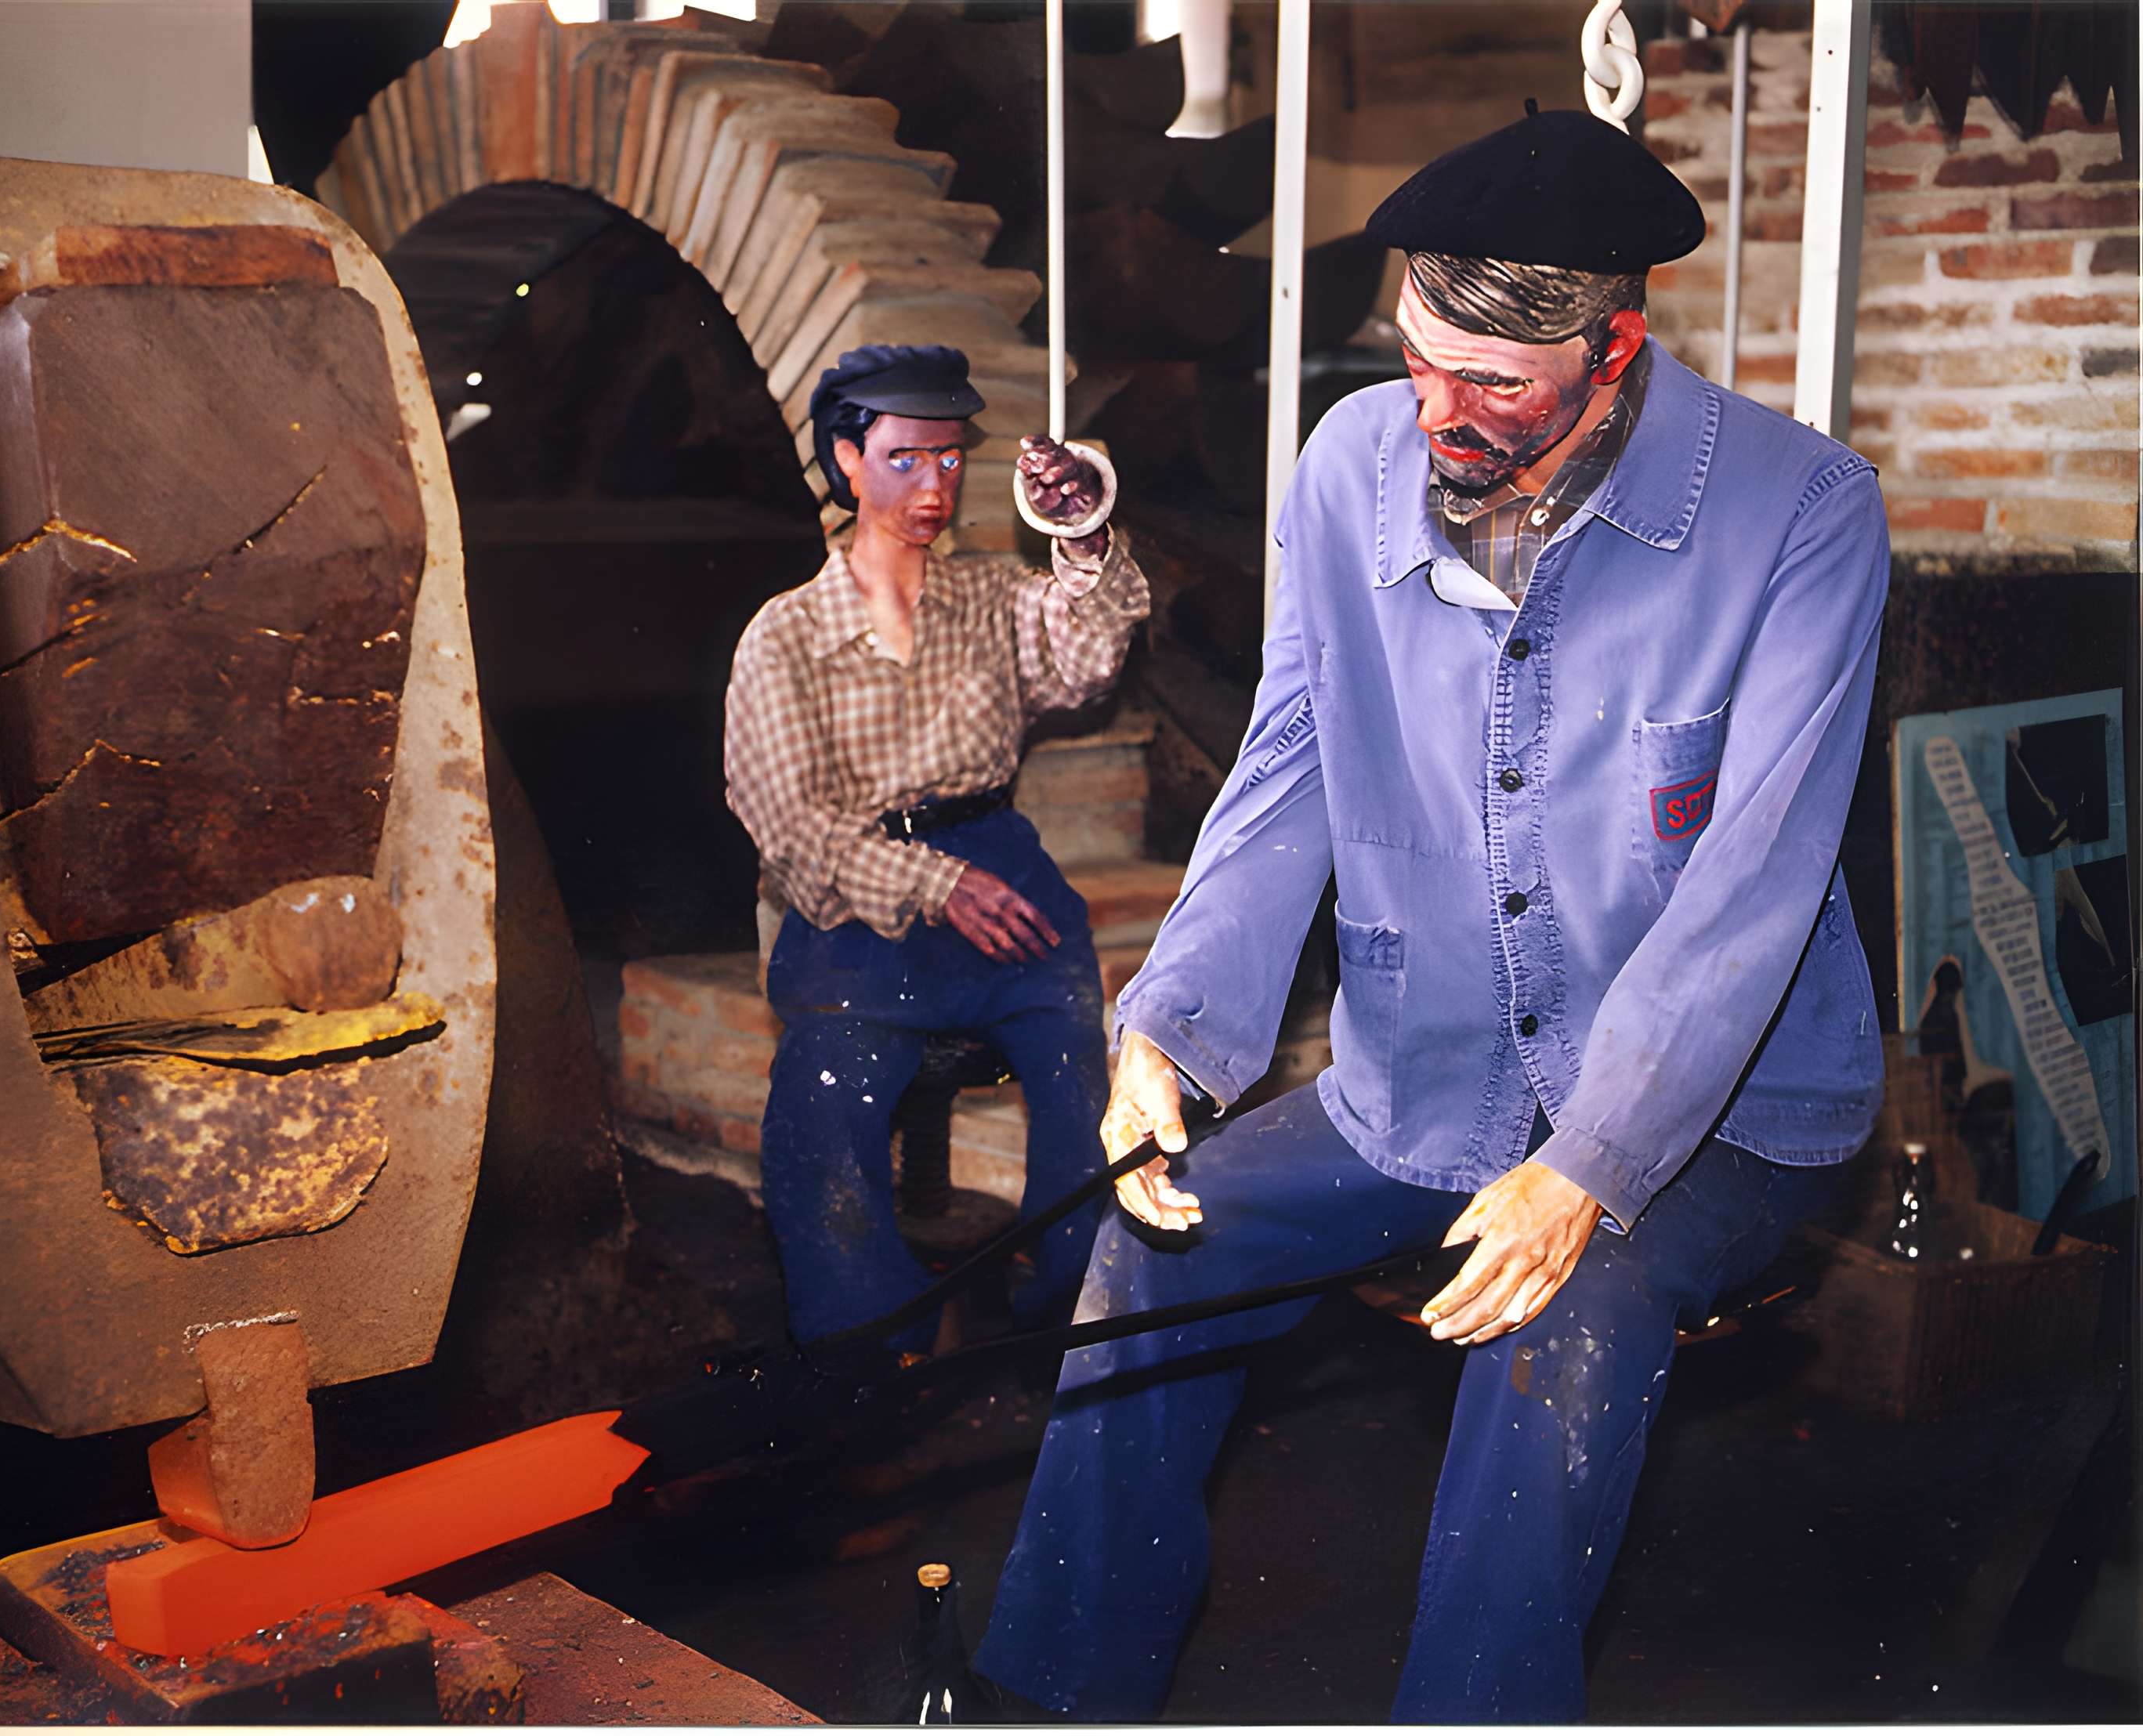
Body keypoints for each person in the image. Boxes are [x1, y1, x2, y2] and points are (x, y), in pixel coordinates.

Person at [971, 105, 1890, 1722]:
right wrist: (1171, 1030)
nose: (1434, 412)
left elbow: (1755, 876)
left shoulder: (1799, 512)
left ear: (1614, 350)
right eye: (1415, 358)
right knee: (1151, 1234)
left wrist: (1590, 1168)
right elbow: (1290, 761)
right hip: (1433, 1072)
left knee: (1565, 1311)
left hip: (1721, 1111)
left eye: (1491, 386)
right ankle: (1051, 1695)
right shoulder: (1351, 469)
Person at [723, 344, 1151, 1351]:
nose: (935, 484)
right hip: (858, 908)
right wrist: (932, 882)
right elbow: (786, 827)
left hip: (998, 865)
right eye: (906, 459)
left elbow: (1088, 660)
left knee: (1080, 1075)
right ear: (845, 458)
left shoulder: (994, 598)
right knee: (823, 1104)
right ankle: (867, 1346)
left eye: (952, 460)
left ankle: (1067, 1318)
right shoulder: (783, 637)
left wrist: (1082, 528)